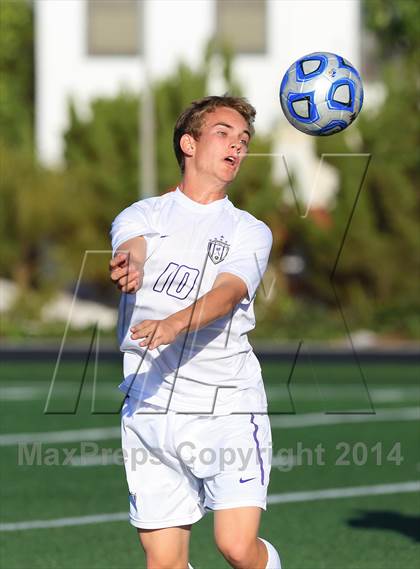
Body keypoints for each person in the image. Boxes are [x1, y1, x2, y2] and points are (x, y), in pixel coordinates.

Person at [109, 95, 281, 569]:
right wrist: (131, 263)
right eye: (224, 134)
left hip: (226, 406)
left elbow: (228, 293)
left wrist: (172, 323)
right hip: (150, 407)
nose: (237, 146)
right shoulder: (142, 214)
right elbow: (132, 245)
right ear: (189, 143)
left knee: (237, 547)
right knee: (163, 563)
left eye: (243, 140)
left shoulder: (250, 230)